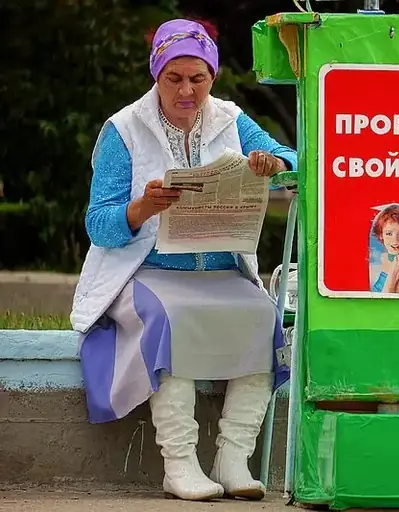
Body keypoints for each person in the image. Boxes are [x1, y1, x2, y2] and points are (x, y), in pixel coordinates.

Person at [69, 19, 296, 502]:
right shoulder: (124, 130)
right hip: (145, 273)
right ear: (156, 74)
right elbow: (98, 223)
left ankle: (234, 457)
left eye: (198, 78)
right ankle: (179, 463)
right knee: (168, 319)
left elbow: (291, 158)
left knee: (263, 316)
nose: (187, 91)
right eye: (174, 78)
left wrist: (274, 163)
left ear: (213, 76)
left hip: (221, 273)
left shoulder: (231, 120)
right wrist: (142, 207)